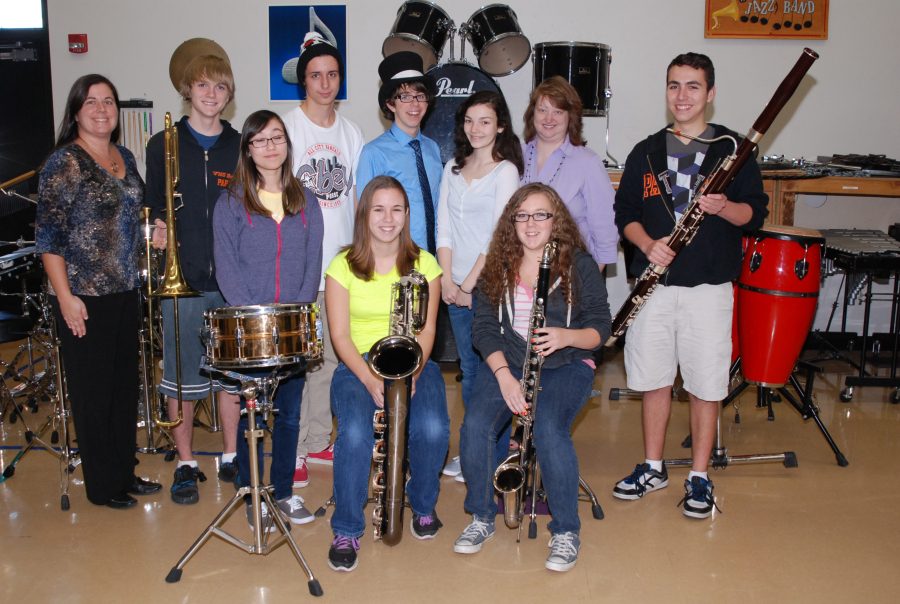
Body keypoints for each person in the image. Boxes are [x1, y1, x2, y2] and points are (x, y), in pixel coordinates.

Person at [612, 52, 768, 518]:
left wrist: (723, 207)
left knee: (704, 382)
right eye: (674, 85)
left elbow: (753, 214)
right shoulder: (645, 150)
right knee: (654, 379)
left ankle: (699, 475)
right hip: (655, 284)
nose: (682, 95)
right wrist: (648, 244)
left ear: (710, 93)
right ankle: (654, 466)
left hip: (709, 287)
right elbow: (625, 216)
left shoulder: (734, 150)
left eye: (693, 86)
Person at [454, 183, 610, 572]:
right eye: (522, 215)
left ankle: (565, 531)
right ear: (512, 222)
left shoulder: (579, 264)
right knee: (474, 425)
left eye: (541, 214)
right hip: (508, 363)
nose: (531, 223)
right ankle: (481, 516)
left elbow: (601, 327)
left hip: (566, 363)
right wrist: (504, 377)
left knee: (549, 429)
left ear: (556, 220)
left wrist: (564, 336)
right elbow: (484, 328)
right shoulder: (498, 265)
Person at [36, 74, 162, 510]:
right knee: (94, 394)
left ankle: (124, 472)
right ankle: (102, 486)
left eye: (109, 102)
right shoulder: (64, 163)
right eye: (92, 102)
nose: (102, 109)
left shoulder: (123, 155)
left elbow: (134, 215)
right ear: (75, 112)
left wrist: (155, 230)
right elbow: (48, 239)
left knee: (125, 388)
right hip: (82, 297)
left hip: (125, 291)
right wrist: (66, 297)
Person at [325, 175, 449, 572]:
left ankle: (423, 504)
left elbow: (428, 329)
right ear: (364, 214)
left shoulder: (425, 263)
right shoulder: (341, 265)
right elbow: (340, 335)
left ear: (407, 214)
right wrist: (367, 378)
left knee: (431, 428)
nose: (388, 218)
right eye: (378, 209)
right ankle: (346, 528)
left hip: (414, 360)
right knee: (357, 434)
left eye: (397, 209)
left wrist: (413, 372)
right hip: (360, 363)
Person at [213, 110, 324, 528]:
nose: (270, 146)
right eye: (259, 140)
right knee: (252, 416)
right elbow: (227, 268)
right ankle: (253, 492)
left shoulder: (305, 199)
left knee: (290, 414)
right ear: (248, 149)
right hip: (251, 330)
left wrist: (292, 316)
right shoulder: (231, 203)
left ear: (287, 145)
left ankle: (283, 492)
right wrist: (257, 322)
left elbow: (312, 261)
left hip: (293, 326)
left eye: (277, 137)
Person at [146, 54, 242, 505]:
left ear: (229, 95)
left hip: (228, 282)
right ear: (188, 90)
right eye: (202, 86)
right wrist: (158, 233)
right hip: (179, 279)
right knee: (181, 378)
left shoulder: (239, 146)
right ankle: (185, 463)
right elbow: (151, 209)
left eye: (219, 88)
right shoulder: (161, 143)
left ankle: (229, 456)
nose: (210, 95)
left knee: (230, 377)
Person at [282, 33, 365, 488]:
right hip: (299, 265)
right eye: (316, 75)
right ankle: (293, 449)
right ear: (304, 81)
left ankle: (317, 440)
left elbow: (355, 201)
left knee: (331, 359)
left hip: (340, 267)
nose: (325, 82)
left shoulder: (351, 133)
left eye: (332, 74)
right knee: (299, 361)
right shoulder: (288, 128)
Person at [435, 91, 523, 482]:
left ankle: (491, 453)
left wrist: (468, 283)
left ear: (500, 126)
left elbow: (500, 234)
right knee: (468, 372)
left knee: (489, 371)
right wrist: (446, 279)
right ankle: (473, 448)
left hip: (489, 287)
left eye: (485, 121)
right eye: (469, 121)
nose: (476, 129)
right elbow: (444, 228)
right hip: (454, 286)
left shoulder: (506, 171)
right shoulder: (452, 167)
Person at [520, 76, 618, 271]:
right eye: (542, 110)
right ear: (532, 114)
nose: (549, 118)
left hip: (571, 270)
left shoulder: (587, 161)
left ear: (570, 117)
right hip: (521, 270)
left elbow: (606, 227)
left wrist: (590, 279)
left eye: (558, 111)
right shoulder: (515, 155)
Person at [357, 52, 441, 255]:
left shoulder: (432, 149)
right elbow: (366, 218)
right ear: (390, 103)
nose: (415, 104)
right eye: (405, 96)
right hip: (394, 259)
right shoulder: (374, 153)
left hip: (434, 260)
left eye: (420, 96)